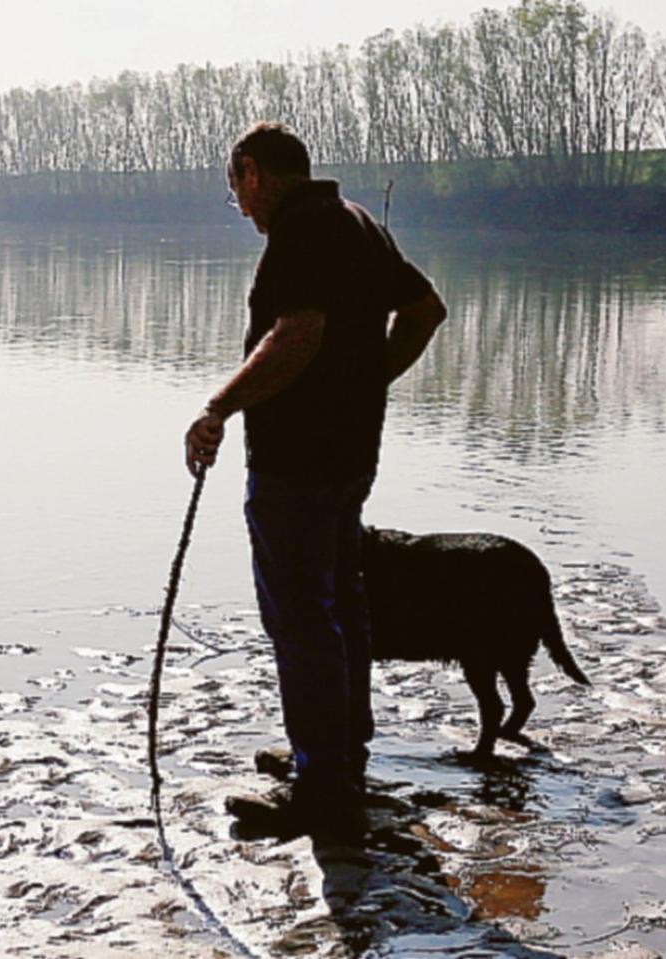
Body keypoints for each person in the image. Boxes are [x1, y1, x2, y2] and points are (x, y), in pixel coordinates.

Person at [185, 122, 447, 838]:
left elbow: (296, 334)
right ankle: (337, 756)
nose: (241, 207)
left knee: (301, 616)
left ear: (252, 172)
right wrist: (369, 382)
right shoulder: (357, 221)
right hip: (352, 452)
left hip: (296, 458)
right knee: (340, 605)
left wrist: (218, 407)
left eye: (237, 190)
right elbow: (425, 311)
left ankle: (323, 785)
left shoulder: (300, 229)